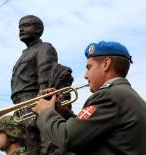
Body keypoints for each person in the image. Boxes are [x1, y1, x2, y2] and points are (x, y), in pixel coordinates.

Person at [32, 41, 146, 155]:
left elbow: (68, 138)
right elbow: (92, 129)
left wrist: (45, 112)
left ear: (106, 64)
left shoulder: (109, 96)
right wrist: (62, 111)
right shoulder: (128, 96)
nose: (85, 75)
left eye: (89, 67)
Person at [11, 15, 73, 155]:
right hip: (21, 103)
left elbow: (45, 76)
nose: (21, 29)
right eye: (20, 27)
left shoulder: (44, 48)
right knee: (30, 141)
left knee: (38, 138)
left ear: (38, 29)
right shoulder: (25, 54)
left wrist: (42, 102)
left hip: (32, 100)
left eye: (26, 25)